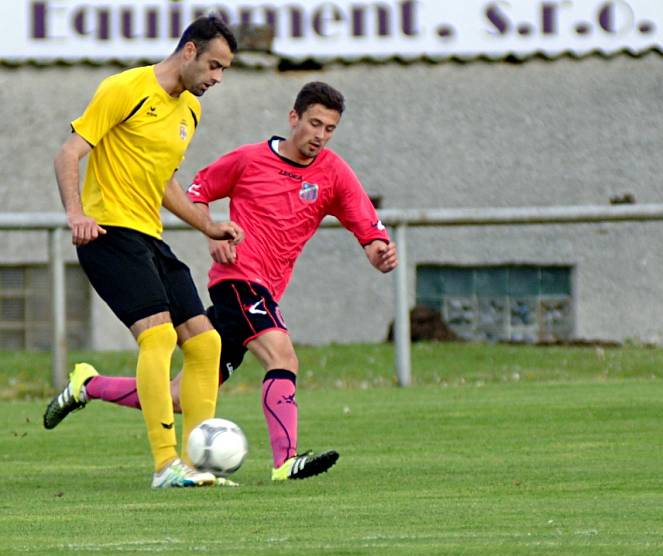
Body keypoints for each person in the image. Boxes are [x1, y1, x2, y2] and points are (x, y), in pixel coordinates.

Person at [44, 81, 398, 482]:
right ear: (293, 117)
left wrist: (378, 249)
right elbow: (197, 192)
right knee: (282, 355)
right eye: (314, 123)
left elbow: (365, 222)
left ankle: (88, 385)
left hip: (266, 289)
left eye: (329, 129)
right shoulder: (248, 160)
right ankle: (286, 461)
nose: (320, 135)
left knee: (179, 395)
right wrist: (211, 235)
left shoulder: (333, 172)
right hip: (238, 281)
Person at [44, 15, 245, 489]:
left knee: (206, 343)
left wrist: (208, 225)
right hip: (107, 234)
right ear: (190, 51)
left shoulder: (189, 112)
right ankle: (165, 465)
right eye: (214, 66)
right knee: (158, 339)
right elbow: (68, 153)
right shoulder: (124, 88)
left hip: (150, 237)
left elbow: (165, 183)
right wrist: (76, 214)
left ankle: (199, 465)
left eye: (225, 71)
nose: (217, 78)